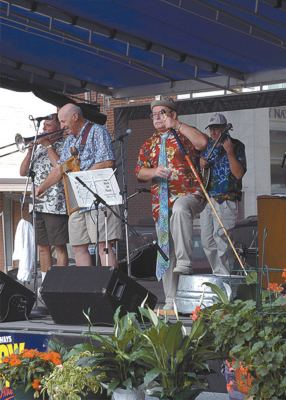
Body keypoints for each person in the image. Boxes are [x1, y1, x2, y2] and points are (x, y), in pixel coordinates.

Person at [135, 97, 208, 309]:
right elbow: (139, 172)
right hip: (161, 203)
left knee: (180, 207)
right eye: (154, 114)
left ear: (173, 115)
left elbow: (202, 143)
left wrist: (176, 125)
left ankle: (185, 261)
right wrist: (154, 172)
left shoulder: (183, 132)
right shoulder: (149, 143)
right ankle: (171, 300)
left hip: (189, 193)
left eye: (162, 113)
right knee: (165, 249)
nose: (157, 117)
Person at [36, 103, 122, 267]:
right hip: (77, 199)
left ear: (75, 117)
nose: (61, 126)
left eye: (63, 121)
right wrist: (42, 188)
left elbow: (108, 162)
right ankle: (86, 291)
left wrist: (81, 174)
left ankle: (111, 288)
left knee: (103, 245)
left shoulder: (98, 131)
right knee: (78, 246)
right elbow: (60, 168)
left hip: (98, 196)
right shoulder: (70, 140)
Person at [20, 113, 69, 284]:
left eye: (48, 125)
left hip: (56, 204)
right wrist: (30, 151)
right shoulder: (39, 148)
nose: (43, 129)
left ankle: (60, 284)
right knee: (42, 247)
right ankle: (45, 285)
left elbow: (60, 167)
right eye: (43, 126)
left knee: (59, 246)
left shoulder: (65, 145)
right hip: (37, 205)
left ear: (58, 127)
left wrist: (48, 146)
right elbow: (23, 172)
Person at [200, 113, 247, 275]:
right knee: (207, 241)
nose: (213, 132)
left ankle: (227, 277)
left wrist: (230, 153)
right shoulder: (207, 147)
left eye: (217, 129)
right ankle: (218, 273)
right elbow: (201, 177)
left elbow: (239, 174)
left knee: (222, 237)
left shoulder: (237, 145)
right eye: (211, 129)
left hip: (226, 199)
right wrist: (202, 165)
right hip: (208, 199)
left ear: (225, 129)